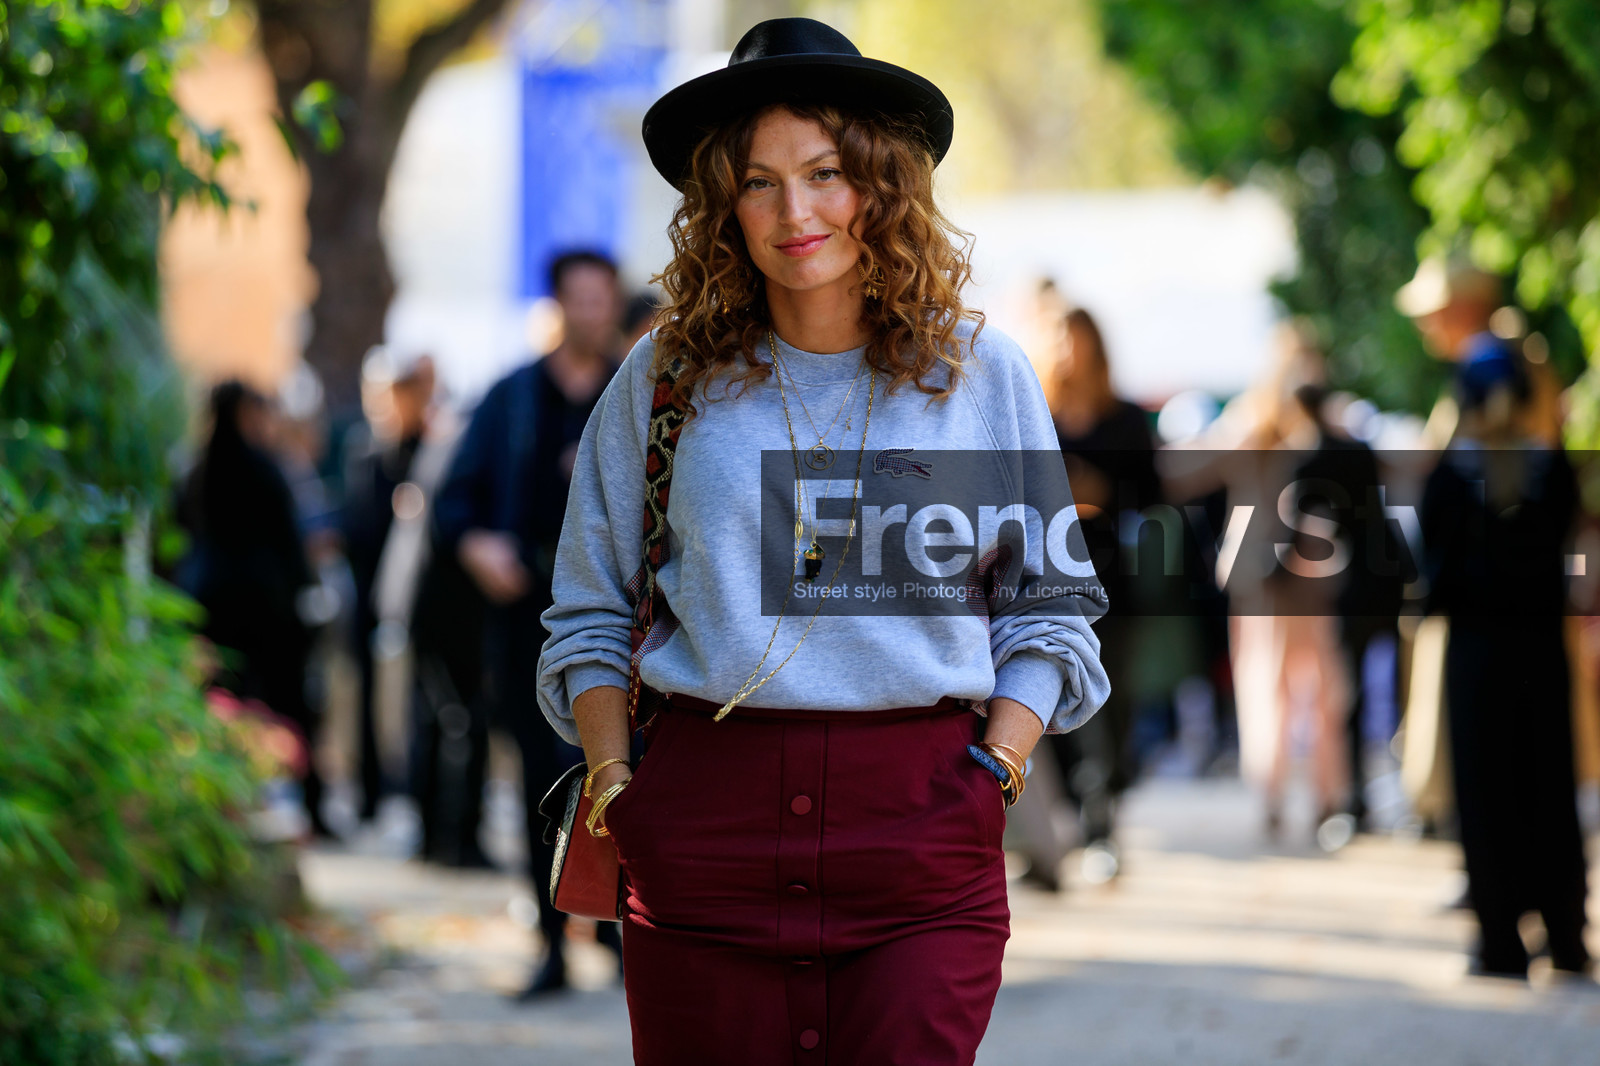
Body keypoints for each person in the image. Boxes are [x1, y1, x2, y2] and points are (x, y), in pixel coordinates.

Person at [535, 19, 1109, 1062]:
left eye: (825, 173)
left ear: (881, 185)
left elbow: (1050, 608)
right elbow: (589, 607)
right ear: (724, 205)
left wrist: (994, 770)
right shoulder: (663, 379)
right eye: (758, 183)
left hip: (922, 843)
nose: (794, 213)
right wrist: (616, 778)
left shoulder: (979, 378)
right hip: (702, 844)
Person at [433, 250, 627, 996]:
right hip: (529, 618)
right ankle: (551, 940)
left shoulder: (636, 390)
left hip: (622, 623)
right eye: (578, 298)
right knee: (540, 784)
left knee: (621, 772)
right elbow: (454, 501)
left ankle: (617, 931)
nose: (591, 311)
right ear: (558, 305)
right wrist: (480, 547)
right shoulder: (512, 397)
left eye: (601, 298)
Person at [178, 381, 330, 837]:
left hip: (211, 607)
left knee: (221, 706)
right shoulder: (264, 469)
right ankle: (306, 804)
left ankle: (220, 802)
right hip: (267, 613)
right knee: (285, 706)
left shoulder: (194, 472)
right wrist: (304, 595)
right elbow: (289, 542)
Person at [1045, 305, 1159, 883]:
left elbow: (1154, 494)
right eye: (1061, 338)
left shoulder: (1126, 419)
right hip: (1045, 576)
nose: (1070, 349)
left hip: (1110, 578)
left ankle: (1102, 825)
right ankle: (1067, 825)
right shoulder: (1039, 413)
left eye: (1079, 338)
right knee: (1045, 695)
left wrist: (1101, 491)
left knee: (1105, 704)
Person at [342, 348, 437, 823]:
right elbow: (357, 524)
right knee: (365, 698)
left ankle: (417, 796)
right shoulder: (365, 451)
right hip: (368, 591)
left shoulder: (429, 448)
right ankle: (369, 795)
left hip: (416, 594)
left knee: (422, 697)